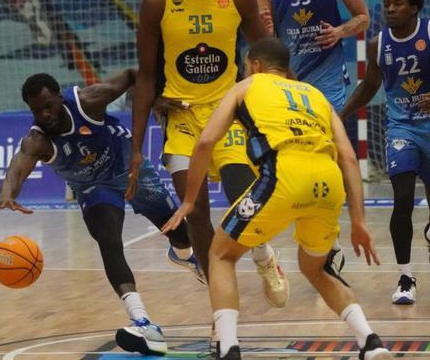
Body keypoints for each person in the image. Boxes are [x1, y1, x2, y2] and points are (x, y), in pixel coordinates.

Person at [162, 38, 392, 360]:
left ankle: (228, 349)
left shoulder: (248, 86)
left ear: (255, 64)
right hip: (328, 183)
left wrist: (188, 201)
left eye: (245, 67)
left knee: (220, 254)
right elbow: (350, 159)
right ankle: (370, 341)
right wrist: (358, 222)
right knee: (316, 269)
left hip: (283, 176)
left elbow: (206, 142)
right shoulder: (315, 96)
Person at [129, 0, 288, 308]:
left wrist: (286, 105)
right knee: (195, 213)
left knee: (241, 196)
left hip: (228, 112)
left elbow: (270, 55)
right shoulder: (157, 1)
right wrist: (135, 149)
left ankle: (264, 257)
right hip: (181, 120)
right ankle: (219, 306)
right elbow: (147, 75)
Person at [0, 71, 204, 356]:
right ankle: (142, 322)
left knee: (179, 232)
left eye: (48, 106)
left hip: (128, 170)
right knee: (109, 240)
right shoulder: (37, 140)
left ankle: (184, 254)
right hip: (92, 187)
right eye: (36, 111)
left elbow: (131, 75)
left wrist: (157, 97)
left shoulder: (88, 102)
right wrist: (7, 195)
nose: (44, 115)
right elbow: (18, 165)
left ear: (59, 98)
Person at [340, 0, 430, 305]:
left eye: (397, 4)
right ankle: (405, 276)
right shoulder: (377, 44)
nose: (390, 9)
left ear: (414, 7)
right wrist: (339, 114)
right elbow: (370, 86)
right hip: (401, 128)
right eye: (387, 4)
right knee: (402, 200)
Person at [256, 0, 371, 276]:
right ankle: (324, 242)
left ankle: (330, 244)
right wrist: (266, 28)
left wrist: (340, 31)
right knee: (296, 164)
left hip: (327, 84)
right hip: (289, 86)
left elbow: (364, 17)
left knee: (332, 158)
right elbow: (266, 40)